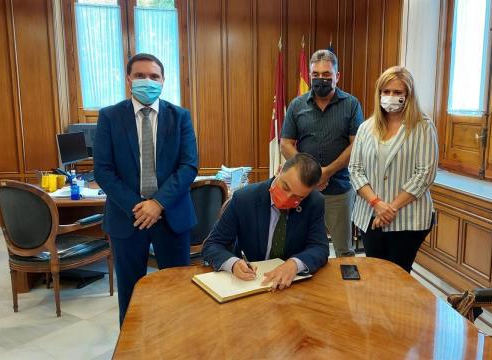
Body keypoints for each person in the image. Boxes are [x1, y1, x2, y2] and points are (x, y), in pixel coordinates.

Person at [94, 53, 198, 325]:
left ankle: (176, 345)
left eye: (154, 76)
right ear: (128, 79)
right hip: (127, 217)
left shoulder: (180, 117)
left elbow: (189, 166)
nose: (147, 81)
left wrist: (158, 203)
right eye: (140, 76)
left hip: (171, 216)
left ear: (163, 81)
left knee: (177, 289)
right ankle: (133, 349)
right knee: (130, 291)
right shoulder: (109, 117)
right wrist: (139, 207)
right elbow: (103, 170)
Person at [348, 66, 438, 273]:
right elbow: (355, 169)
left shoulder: (423, 127)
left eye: (397, 92)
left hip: (409, 219)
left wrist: (390, 209)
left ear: (408, 95)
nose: (390, 96)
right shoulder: (366, 127)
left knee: (397, 276)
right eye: (386, 91)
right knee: (375, 274)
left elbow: (424, 174)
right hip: (370, 215)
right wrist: (377, 204)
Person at [280, 49, 364, 257]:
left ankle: (342, 290)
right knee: (300, 248)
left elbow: (357, 146)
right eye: (315, 75)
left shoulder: (351, 105)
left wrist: (327, 172)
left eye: (326, 75)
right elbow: (285, 144)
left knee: (344, 251)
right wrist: (314, 173)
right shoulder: (297, 105)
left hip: (339, 190)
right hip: (303, 190)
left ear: (337, 76)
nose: (321, 79)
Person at [202, 153, 329, 290]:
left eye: (297, 197)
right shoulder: (244, 199)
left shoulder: (314, 202)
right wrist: (233, 264)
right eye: (285, 187)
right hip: (251, 282)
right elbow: (212, 244)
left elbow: (320, 247)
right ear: (279, 170)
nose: (287, 198)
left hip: (291, 286)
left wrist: (294, 264)